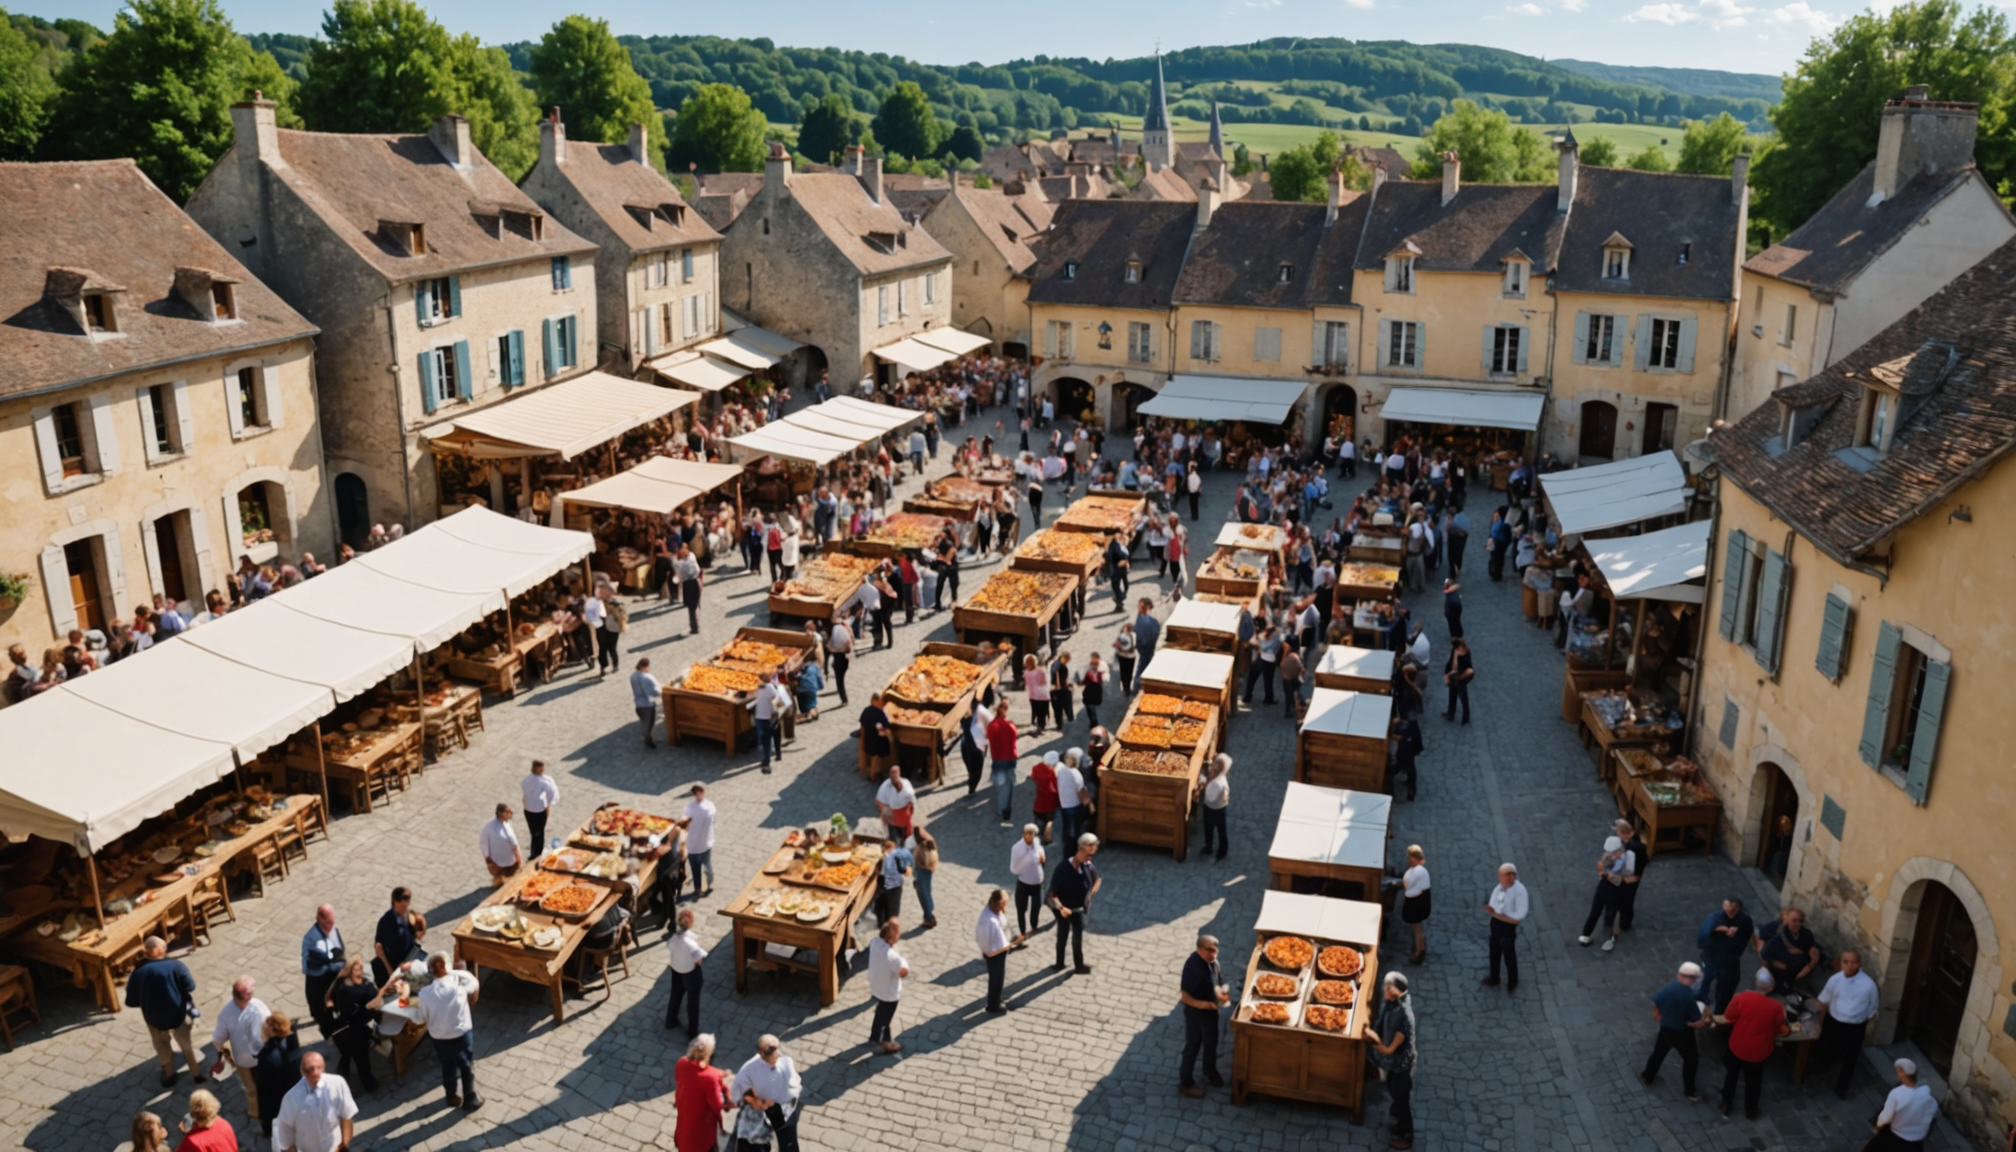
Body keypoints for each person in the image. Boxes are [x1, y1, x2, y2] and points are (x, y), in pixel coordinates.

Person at [127, 935, 201, 1087]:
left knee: (161, 1044)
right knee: (186, 1043)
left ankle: (169, 1075)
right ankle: (196, 1073)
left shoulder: (137, 973)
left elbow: (132, 1001)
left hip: (154, 1016)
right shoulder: (176, 965)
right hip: (177, 1012)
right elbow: (190, 987)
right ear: (160, 949)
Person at [410, 951, 481, 1110]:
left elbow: (419, 1019)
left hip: (440, 1039)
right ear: (442, 966)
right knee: (466, 1065)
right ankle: (470, 1097)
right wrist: (455, 971)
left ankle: (451, 1095)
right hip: (461, 1036)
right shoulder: (458, 985)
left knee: (447, 1067)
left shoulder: (425, 994)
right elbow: (474, 983)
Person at [1715, 969, 1788, 1120]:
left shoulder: (1740, 998)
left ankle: (1726, 1105)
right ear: (1771, 987)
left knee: (1731, 1077)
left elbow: (1729, 1017)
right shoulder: (1777, 1007)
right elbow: (1781, 1027)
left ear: (1756, 983)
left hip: (1737, 1046)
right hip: (1758, 1052)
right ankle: (1751, 1110)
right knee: (1754, 1082)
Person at [1812, 948, 1880, 1099]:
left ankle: (1842, 1086)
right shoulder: (1835, 980)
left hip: (1855, 1027)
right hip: (1834, 1021)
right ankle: (1823, 1066)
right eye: (1845, 962)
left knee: (1851, 1058)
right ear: (1841, 963)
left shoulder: (1869, 985)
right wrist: (1820, 1024)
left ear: (1859, 964)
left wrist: (1865, 1026)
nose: (1849, 966)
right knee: (1827, 1046)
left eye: (1853, 962)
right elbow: (1824, 1002)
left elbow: (1872, 1008)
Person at [1639, 961, 1709, 1102]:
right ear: (1691, 979)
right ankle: (1690, 1091)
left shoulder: (1668, 988)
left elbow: (1657, 1004)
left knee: (1658, 1053)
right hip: (1683, 1033)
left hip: (1665, 1029)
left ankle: (1648, 1075)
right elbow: (1696, 1019)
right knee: (1691, 1060)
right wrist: (1705, 1017)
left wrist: (1659, 1015)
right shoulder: (1688, 997)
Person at [208, 976, 269, 1123]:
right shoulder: (228, 1013)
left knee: (261, 1087)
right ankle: (256, 1113)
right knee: (252, 1090)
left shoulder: (257, 1006)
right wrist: (224, 1054)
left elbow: (217, 1040)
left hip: (260, 1057)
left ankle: (263, 1110)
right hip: (244, 1060)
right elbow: (218, 1039)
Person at [1176, 933, 1230, 1098]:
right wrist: (1205, 1005)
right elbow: (1185, 997)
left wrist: (1221, 996)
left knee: (1211, 1043)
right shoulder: (1193, 967)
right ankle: (1186, 1084)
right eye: (1208, 950)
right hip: (1196, 1014)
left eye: (1214, 950)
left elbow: (1217, 983)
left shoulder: (1213, 963)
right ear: (1199, 949)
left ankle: (1209, 1071)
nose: (1212, 954)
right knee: (1193, 1046)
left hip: (1211, 1013)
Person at [271, 1051, 356, 1152]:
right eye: (309, 1070)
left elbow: (347, 1115)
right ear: (302, 1071)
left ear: (324, 1067)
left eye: (318, 1067)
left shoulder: (338, 1083)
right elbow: (285, 1133)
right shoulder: (291, 1098)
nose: (315, 1073)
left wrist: (345, 1144)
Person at [1370, 972, 1418, 1149]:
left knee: (1400, 1098)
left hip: (1402, 1066)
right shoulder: (1394, 1003)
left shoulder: (1404, 1014)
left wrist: (1373, 1040)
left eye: (1385, 987)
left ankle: (1406, 1135)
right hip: (1395, 1066)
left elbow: (1389, 1049)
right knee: (1392, 1088)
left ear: (1392, 990)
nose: (1383, 990)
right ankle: (1398, 1124)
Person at [731, 1035, 802, 1152]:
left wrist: (785, 1101)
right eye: (771, 1052)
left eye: (776, 1050)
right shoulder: (749, 1069)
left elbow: (795, 1085)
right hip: (760, 1113)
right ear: (761, 1053)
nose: (776, 1055)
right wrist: (757, 1101)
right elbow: (739, 1091)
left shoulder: (786, 1062)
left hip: (784, 1111)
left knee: (789, 1143)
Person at [324, 958, 383, 1092]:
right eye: (359, 969)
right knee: (362, 1061)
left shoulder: (340, 984)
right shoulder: (364, 989)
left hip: (342, 1025)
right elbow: (376, 1000)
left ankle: (344, 1068)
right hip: (358, 1030)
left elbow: (328, 998)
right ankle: (370, 1086)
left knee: (345, 1049)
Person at [1048, 832, 1102, 975]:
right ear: (1080, 849)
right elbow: (1052, 895)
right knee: (1063, 935)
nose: (1090, 859)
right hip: (1064, 909)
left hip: (1078, 910)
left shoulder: (1088, 865)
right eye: (1088, 854)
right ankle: (1059, 963)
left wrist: (1090, 895)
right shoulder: (1063, 869)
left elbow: (1097, 879)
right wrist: (1062, 908)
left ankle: (1079, 966)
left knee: (1077, 939)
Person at [673, 1034, 733, 1152]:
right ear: (709, 1054)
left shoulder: (682, 1063)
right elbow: (717, 1104)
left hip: (685, 1121)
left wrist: (718, 1074)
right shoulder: (711, 1078)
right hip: (701, 1132)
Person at [1697, 896, 1755, 1014]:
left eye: (1731, 906)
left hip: (1729, 960)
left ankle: (1720, 1009)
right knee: (1706, 979)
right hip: (1713, 957)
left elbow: (1746, 935)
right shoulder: (1716, 917)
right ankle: (1702, 1000)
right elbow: (1704, 934)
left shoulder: (1744, 920)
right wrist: (1720, 931)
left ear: (1737, 908)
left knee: (1726, 986)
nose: (1728, 909)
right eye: (1727, 905)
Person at [1577, 835, 1633, 952]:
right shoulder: (1623, 859)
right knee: (1611, 912)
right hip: (1614, 888)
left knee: (1596, 911)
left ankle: (1586, 935)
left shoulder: (1608, 857)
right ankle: (1612, 936)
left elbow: (1603, 871)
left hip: (1604, 886)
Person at [251, 1013, 301, 1144]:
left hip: (279, 1106)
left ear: (272, 1030)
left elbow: (263, 1089)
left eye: (264, 1026)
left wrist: (264, 1116)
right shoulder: (291, 1042)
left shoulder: (267, 1057)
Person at [1871, 1058, 1939, 1151]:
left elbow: (1885, 1118)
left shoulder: (1896, 1094)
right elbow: (1933, 1111)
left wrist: (1878, 1127)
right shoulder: (1926, 1094)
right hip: (1917, 1140)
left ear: (1902, 1073)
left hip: (1897, 1136)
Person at [300, 905, 346, 1039]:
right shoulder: (311, 939)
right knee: (322, 1012)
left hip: (334, 976)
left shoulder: (333, 929)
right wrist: (335, 966)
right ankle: (330, 1036)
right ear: (320, 919)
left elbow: (340, 950)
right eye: (329, 923)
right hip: (318, 981)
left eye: (333, 922)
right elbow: (308, 967)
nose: (332, 927)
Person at [866, 918, 910, 1054]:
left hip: (877, 987)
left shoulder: (874, 943)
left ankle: (874, 1036)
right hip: (889, 993)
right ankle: (885, 1042)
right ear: (893, 936)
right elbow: (902, 972)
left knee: (880, 1012)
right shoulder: (893, 957)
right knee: (886, 1017)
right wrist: (905, 964)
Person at [1755, 906, 1822, 994]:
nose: (1797, 924)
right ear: (1787, 921)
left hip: (1799, 973)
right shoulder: (1777, 937)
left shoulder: (1806, 934)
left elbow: (1811, 945)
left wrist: (1813, 950)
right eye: (1794, 921)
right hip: (1780, 974)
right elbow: (1764, 954)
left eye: (1800, 921)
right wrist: (1776, 964)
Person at [1482, 863, 1527, 992]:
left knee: (1509, 957)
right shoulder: (1500, 888)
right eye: (1502, 876)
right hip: (1496, 929)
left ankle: (1512, 982)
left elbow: (1516, 919)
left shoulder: (1519, 892)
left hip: (1507, 932)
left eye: (1508, 875)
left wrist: (1495, 913)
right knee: (1494, 955)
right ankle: (1494, 978)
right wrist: (1491, 908)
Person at [664, 908, 707, 1036]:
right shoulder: (690, 943)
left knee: (676, 995)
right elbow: (698, 960)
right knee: (693, 1001)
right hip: (690, 973)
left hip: (676, 970)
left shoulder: (673, 939)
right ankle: (692, 1031)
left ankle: (670, 1021)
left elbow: (669, 947)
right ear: (690, 923)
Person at [372, 887, 423, 987]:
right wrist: (399, 964)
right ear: (395, 902)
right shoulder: (385, 923)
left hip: (411, 956)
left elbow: (417, 934)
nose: (406, 907)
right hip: (395, 966)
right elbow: (381, 948)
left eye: (408, 903)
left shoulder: (409, 915)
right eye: (403, 905)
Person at [977, 889, 1016, 1014]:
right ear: (997, 903)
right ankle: (993, 1005)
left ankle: (996, 999)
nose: (1004, 907)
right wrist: (1012, 945)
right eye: (1003, 904)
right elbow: (992, 945)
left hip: (996, 950)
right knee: (996, 979)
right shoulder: (990, 921)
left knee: (997, 978)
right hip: (995, 953)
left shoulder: (992, 911)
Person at [1010, 823, 1047, 941]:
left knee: (1036, 907)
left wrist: (1042, 859)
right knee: (1021, 909)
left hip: (1037, 883)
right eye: (1029, 834)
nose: (1032, 837)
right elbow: (1014, 868)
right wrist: (1026, 862)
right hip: (1023, 883)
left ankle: (1034, 925)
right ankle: (1022, 931)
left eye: (1034, 834)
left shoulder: (1037, 843)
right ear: (1024, 835)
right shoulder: (1017, 848)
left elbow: (1042, 859)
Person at [987, 700, 1021, 827]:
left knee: (1001, 786)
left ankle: (1001, 808)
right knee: (1009, 783)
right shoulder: (1010, 726)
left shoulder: (992, 726)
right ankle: (1007, 807)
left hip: (997, 759)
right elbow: (1014, 738)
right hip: (1010, 758)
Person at [682, 784, 718, 900]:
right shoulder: (691, 807)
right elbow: (685, 821)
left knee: (707, 867)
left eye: (700, 792)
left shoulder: (709, 806)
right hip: (693, 844)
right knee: (696, 869)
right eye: (696, 792)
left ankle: (709, 883)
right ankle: (698, 889)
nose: (698, 794)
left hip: (704, 843)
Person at [1614, 818, 1649, 933]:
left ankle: (1625, 923)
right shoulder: (1636, 844)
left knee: (1627, 899)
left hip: (1630, 875)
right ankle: (1624, 922)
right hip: (1633, 874)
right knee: (1626, 898)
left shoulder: (1632, 847)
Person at [1399, 846, 1431, 965]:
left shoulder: (1417, 872)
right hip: (1421, 900)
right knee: (1417, 927)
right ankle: (1420, 947)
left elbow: (1407, 884)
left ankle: (1419, 951)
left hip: (1417, 902)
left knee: (1416, 927)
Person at [753, 671, 789, 773]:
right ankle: (778, 754)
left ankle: (767, 761)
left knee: (766, 740)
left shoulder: (768, 687)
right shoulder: (765, 686)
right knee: (775, 736)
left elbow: (776, 697)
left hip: (766, 717)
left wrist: (774, 706)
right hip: (767, 716)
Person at [1055, 749, 1092, 847]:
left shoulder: (1060, 770)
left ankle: (1065, 841)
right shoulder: (1076, 774)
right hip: (1074, 804)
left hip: (1063, 803)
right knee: (1076, 826)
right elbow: (1081, 792)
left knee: (1066, 824)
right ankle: (1075, 844)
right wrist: (1088, 803)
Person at [520, 760, 559, 850]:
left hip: (528, 809)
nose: (542, 770)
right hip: (539, 810)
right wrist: (548, 804)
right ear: (536, 768)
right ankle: (537, 851)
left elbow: (523, 787)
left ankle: (534, 850)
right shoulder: (544, 781)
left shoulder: (527, 779)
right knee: (539, 832)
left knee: (533, 832)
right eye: (541, 768)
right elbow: (551, 793)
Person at [1198, 754, 1231, 862]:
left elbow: (1212, 797)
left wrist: (1205, 786)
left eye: (1218, 764)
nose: (1215, 765)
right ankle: (1208, 847)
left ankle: (1222, 851)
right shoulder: (1214, 776)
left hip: (1217, 809)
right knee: (1208, 828)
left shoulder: (1220, 782)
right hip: (1208, 807)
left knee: (1221, 830)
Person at [479, 803, 522, 886]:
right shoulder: (488, 828)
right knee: (499, 885)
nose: (510, 814)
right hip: (497, 864)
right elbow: (483, 842)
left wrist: (518, 859)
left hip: (512, 862)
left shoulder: (508, 825)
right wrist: (487, 858)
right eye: (508, 812)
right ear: (501, 814)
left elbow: (515, 844)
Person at [907, 826, 939, 929]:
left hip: (922, 871)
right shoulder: (928, 844)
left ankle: (928, 918)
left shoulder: (921, 849)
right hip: (925, 870)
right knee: (926, 892)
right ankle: (929, 915)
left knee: (924, 895)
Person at [875, 762, 916, 840]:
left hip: (904, 815)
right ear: (889, 775)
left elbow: (912, 802)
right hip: (891, 815)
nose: (894, 775)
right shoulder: (885, 787)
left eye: (896, 772)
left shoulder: (907, 786)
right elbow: (878, 801)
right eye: (892, 773)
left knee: (907, 838)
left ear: (899, 773)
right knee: (892, 839)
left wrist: (910, 816)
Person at [876, 837, 912, 927]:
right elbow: (903, 870)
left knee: (883, 901)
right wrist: (908, 869)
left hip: (883, 880)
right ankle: (892, 923)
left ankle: (882, 922)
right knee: (893, 904)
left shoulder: (884, 856)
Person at [631, 659, 663, 749]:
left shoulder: (633, 676)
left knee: (644, 721)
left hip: (638, 704)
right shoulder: (647, 677)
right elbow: (656, 690)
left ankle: (647, 738)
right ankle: (648, 740)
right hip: (648, 704)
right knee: (649, 723)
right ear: (645, 667)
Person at [1442, 637, 1474, 724]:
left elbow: (1461, 668)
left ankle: (1466, 718)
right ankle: (1450, 713)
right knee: (1452, 694)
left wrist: (1457, 657)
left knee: (1463, 696)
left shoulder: (1466, 654)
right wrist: (1447, 673)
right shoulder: (1455, 650)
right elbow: (1451, 664)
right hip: (1454, 675)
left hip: (1462, 676)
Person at [674, 545, 704, 635]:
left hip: (687, 584)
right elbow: (698, 570)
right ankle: (696, 624)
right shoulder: (692, 561)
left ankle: (694, 627)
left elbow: (679, 576)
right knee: (696, 604)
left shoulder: (679, 564)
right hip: (695, 582)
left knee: (691, 607)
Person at [828, 614, 855, 706]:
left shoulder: (834, 630)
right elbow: (851, 641)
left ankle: (844, 699)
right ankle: (843, 696)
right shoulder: (846, 627)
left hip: (838, 656)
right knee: (841, 678)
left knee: (839, 680)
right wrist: (849, 652)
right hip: (845, 657)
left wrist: (834, 649)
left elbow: (830, 646)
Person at [1133, 599, 1161, 671]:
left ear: (1148, 607)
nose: (1138, 609)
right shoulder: (1140, 617)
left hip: (1147, 651)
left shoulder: (1151, 621)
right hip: (1143, 651)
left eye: (1141, 607)